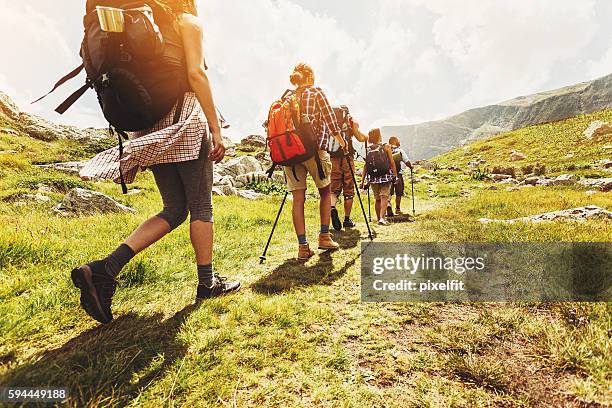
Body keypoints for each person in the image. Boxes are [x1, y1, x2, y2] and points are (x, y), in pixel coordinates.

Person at [72, 0, 240, 325]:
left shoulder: (142, 25)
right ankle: (208, 283)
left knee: (174, 208)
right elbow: (196, 73)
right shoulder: (186, 22)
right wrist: (216, 128)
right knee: (201, 207)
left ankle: (105, 269)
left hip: (149, 128)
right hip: (185, 120)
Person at [284, 63, 347, 260]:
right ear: (310, 76)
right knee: (325, 192)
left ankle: (303, 247)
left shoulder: (286, 97)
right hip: (314, 151)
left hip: (290, 154)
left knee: (298, 199)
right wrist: (342, 142)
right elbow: (331, 121)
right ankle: (324, 237)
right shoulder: (316, 92)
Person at [330, 110, 368, 231]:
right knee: (348, 188)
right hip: (347, 156)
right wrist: (366, 136)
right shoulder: (351, 121)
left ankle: (332, 207)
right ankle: (347, 220)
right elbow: (361, 138)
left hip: (333, 157)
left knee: (334, 188)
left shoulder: (330, 120)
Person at [361, 128, 398, 226]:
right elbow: (391, 162)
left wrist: (362, 181)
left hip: (373, 177)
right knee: (384, 196)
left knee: (377, 198)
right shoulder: (386, 146)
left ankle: (378, 219)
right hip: (385, 175)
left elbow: (366, 165)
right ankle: (382, 218)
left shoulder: (368, 149)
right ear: (379, 136)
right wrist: (395, 175)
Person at [387, 136, 412, 216]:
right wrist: (411, 167)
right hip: (398, 174)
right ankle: (397, 209)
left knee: (389, 192)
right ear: (394, 141)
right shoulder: (400, 151)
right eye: (398, 140)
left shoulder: (386, 150)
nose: (399, 141)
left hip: (388, 174)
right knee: (399, 192)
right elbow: (406, 161)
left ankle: (388, 205)